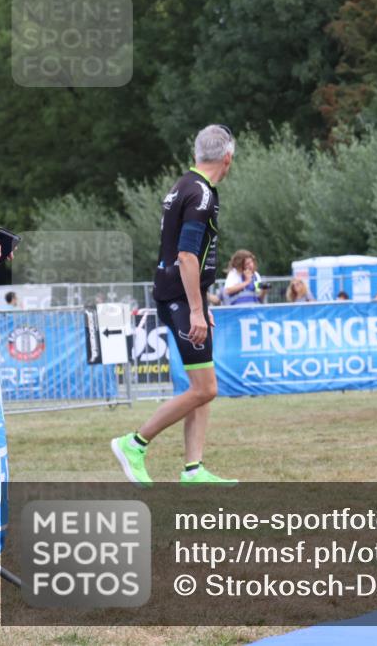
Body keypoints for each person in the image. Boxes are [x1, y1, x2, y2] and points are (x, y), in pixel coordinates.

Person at [111, 124, 238, 486]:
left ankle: (193, 469)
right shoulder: (201, 194)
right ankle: (134, 443)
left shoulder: (184, 185)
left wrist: (199, 303)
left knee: (203, 384)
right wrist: (196, 308)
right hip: (181, 300)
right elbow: (186, 254)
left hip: (178, 295)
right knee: (205, 389)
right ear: (227, 158)